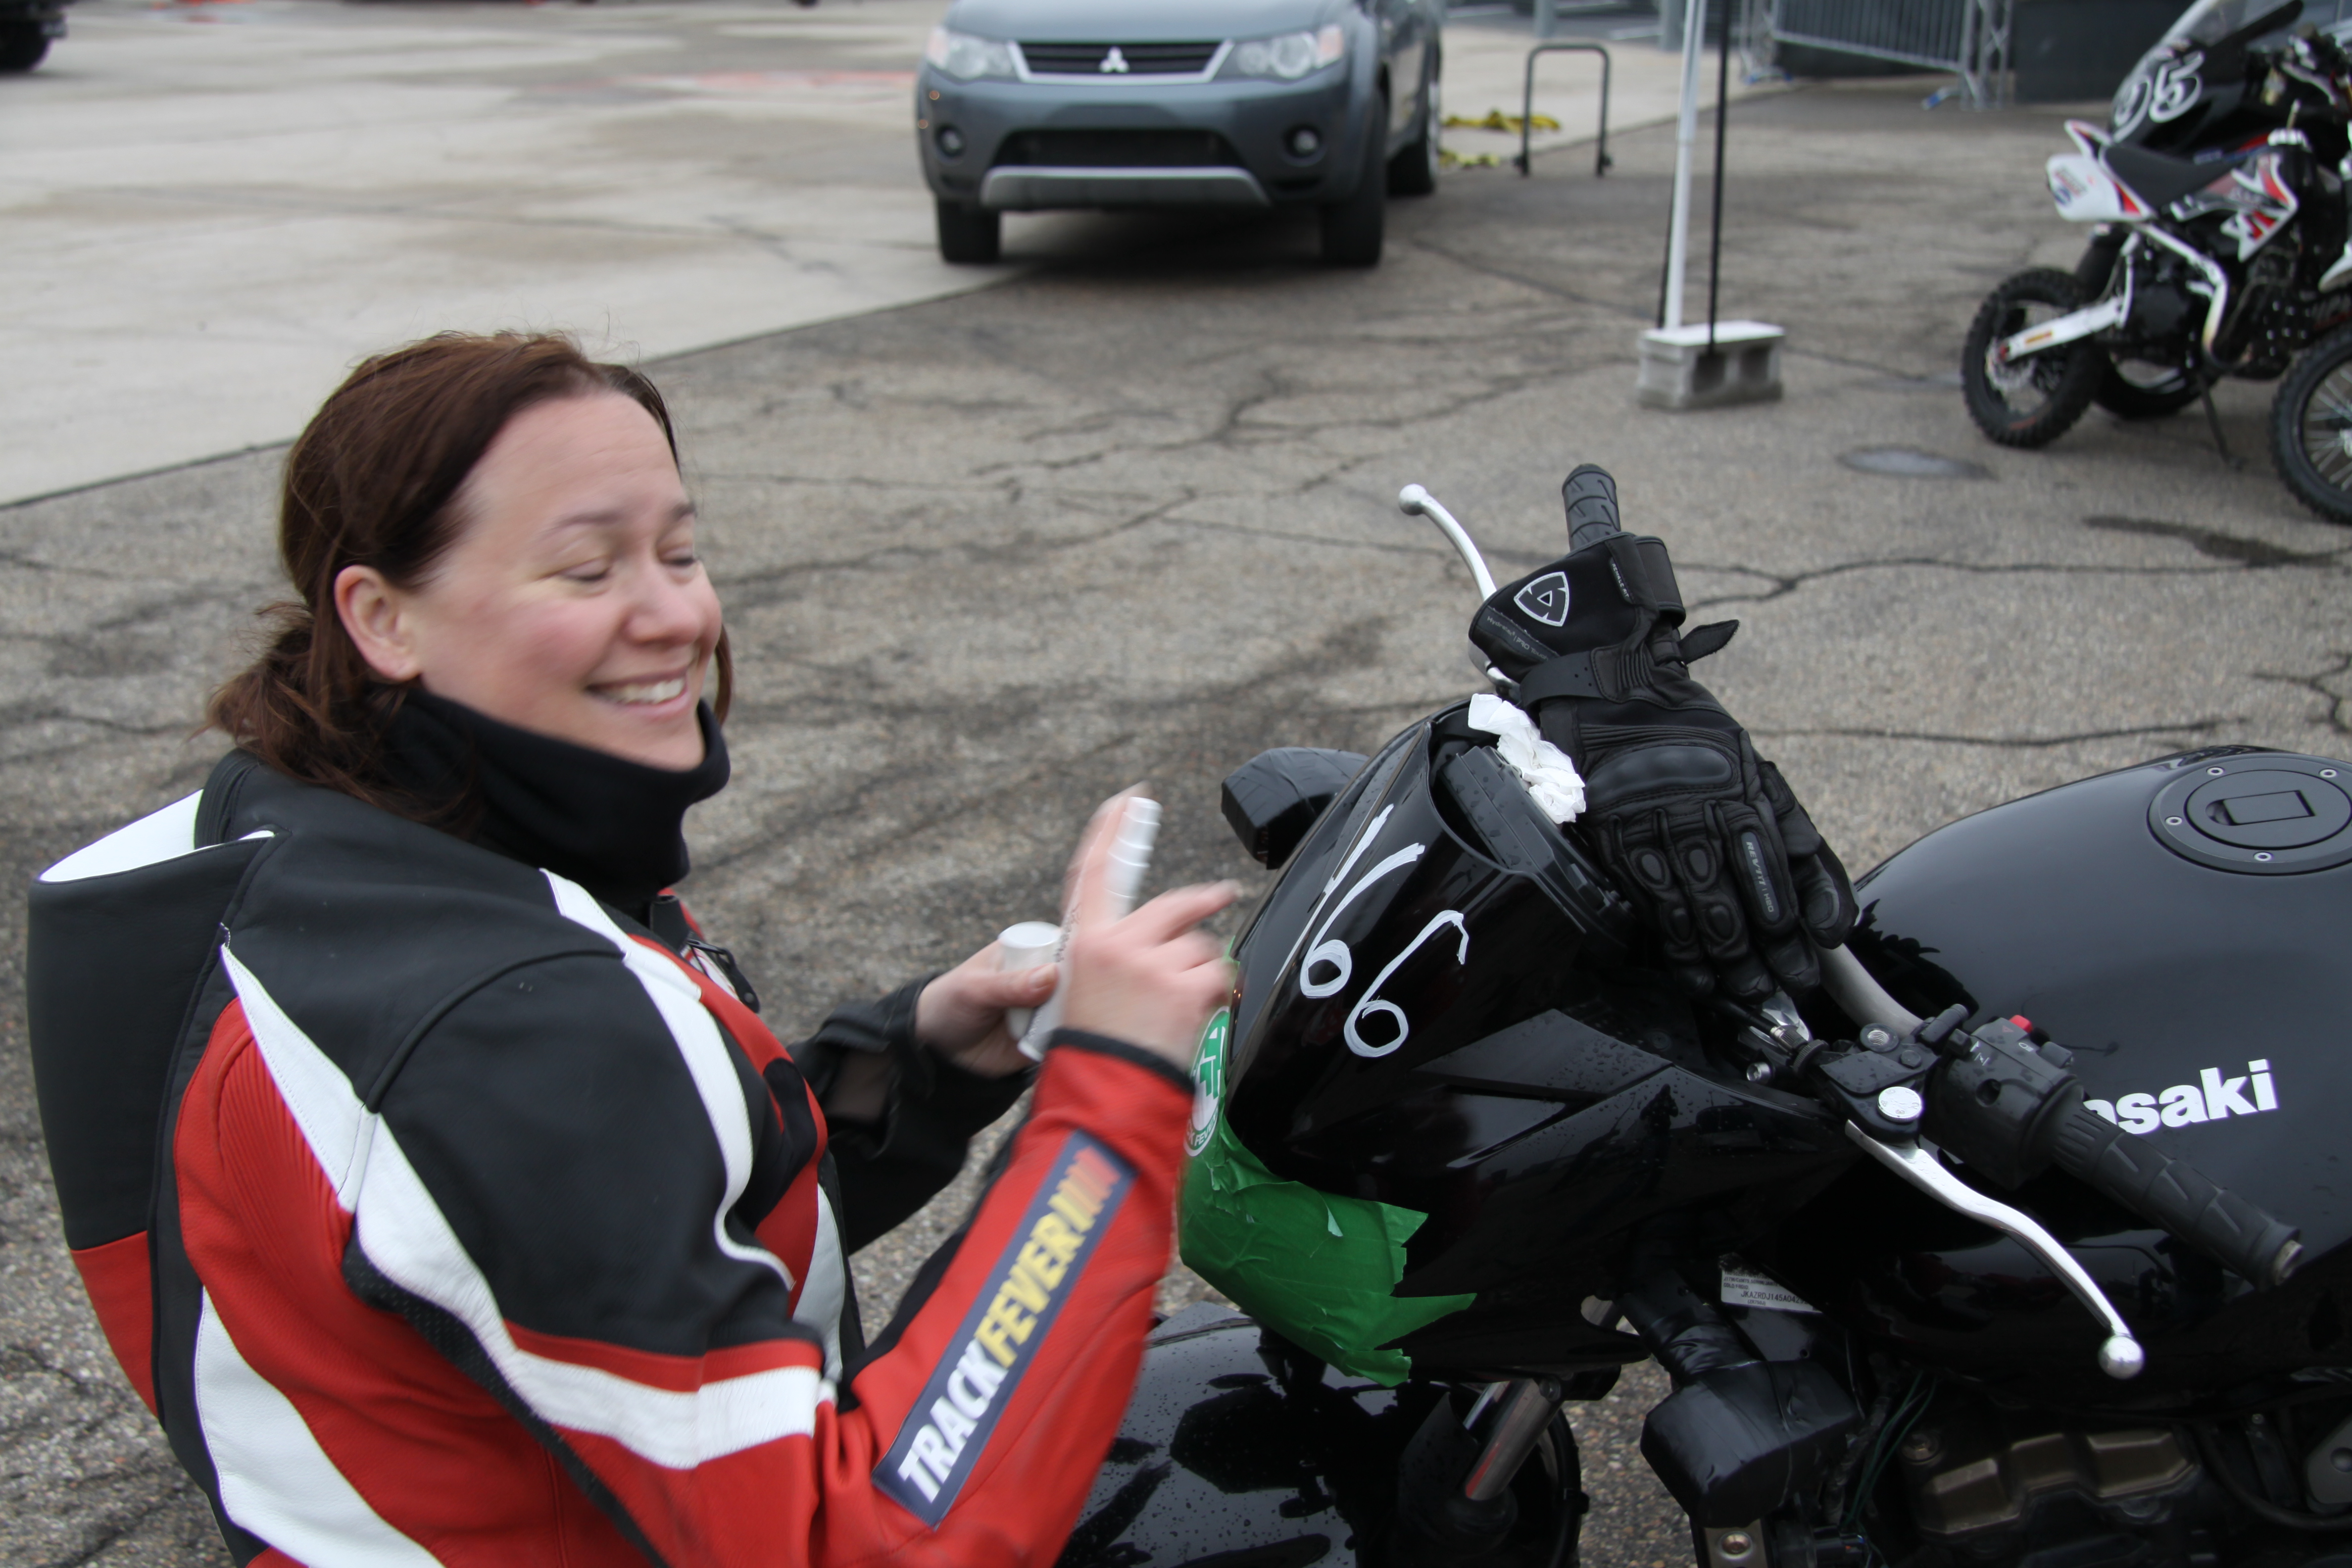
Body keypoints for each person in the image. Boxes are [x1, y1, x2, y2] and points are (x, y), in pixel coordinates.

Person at [26, 332, 1236, 1567]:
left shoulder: (351, 846)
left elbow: (621, 1211)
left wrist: (920, 1063)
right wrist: (1109, 1102)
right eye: (587, 568)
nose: (677, 616)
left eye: (681, 551)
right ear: (382, 618)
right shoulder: (502, 1020)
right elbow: (858, 1545)